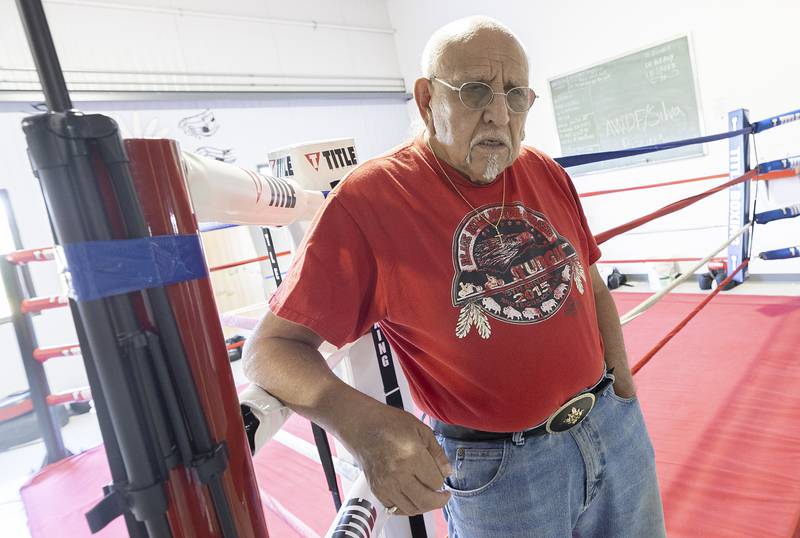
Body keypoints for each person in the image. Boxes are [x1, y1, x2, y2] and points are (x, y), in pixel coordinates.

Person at [243, 16, 666, 537]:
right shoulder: (373, 200)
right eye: (473, 92)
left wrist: (623, 392)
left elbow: (591, 282)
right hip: (502, 471)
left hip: (611, 427)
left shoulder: (543, 171)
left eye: (515, 96)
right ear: (426, 100)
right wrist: (361, 423)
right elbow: (269, 351)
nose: (497, 114)